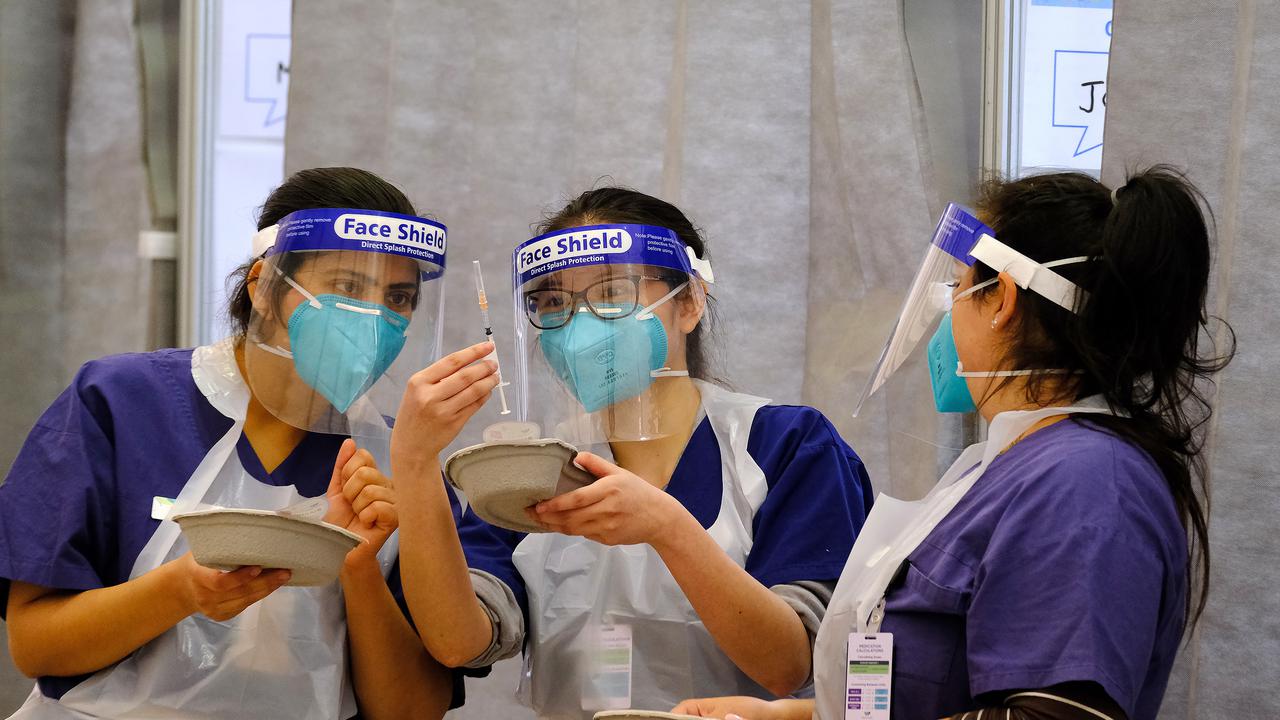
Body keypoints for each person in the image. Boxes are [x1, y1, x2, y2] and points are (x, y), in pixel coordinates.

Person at [675, 167, 1233, 720]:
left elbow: (1056, 715)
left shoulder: (1085, 484)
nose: (950, 315)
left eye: (959, 289)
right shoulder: (1016, 464)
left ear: (1004, 300)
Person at [387, 188, 875, 719]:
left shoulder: (783, 445)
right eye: (554, 302)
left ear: (689, 303)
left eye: (612, 292)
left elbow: (790, 665)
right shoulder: (532, 468)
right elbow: (459, 642)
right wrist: (414, 463)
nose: (579, 325)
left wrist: (668, 527)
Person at [0, 167, 466, 719]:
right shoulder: (120, 403)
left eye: (399, 297)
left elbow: (414, 710)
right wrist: (181, 592)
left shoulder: (404, 464)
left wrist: (359, 569)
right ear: (264, 288)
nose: (375, 317)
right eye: (347, 286)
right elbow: (36, 645)